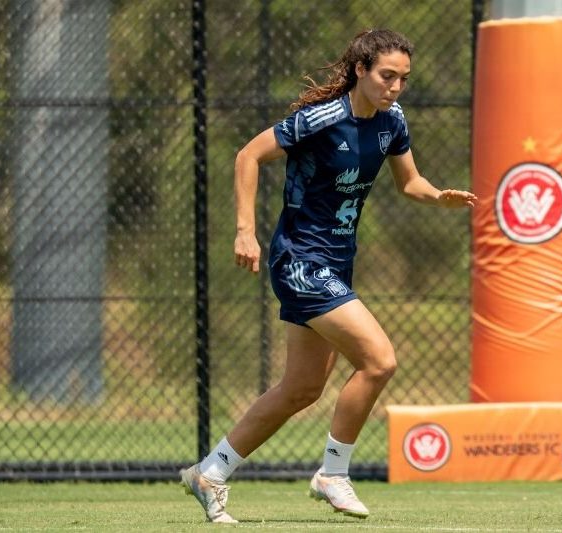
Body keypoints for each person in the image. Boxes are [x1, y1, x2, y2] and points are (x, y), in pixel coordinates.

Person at [181, 28, 477, 523]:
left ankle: (209, 472)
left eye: (403, 79)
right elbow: (247, 155)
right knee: (379, 360)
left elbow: (411, 182)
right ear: (361, 69)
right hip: (299, 259)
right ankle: (333, 473)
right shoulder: (321, 119)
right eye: (387, 76)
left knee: (300, 389)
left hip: (336, 261)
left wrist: (437, 196)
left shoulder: (392, 121)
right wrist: (244, 231)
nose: (395, 87)